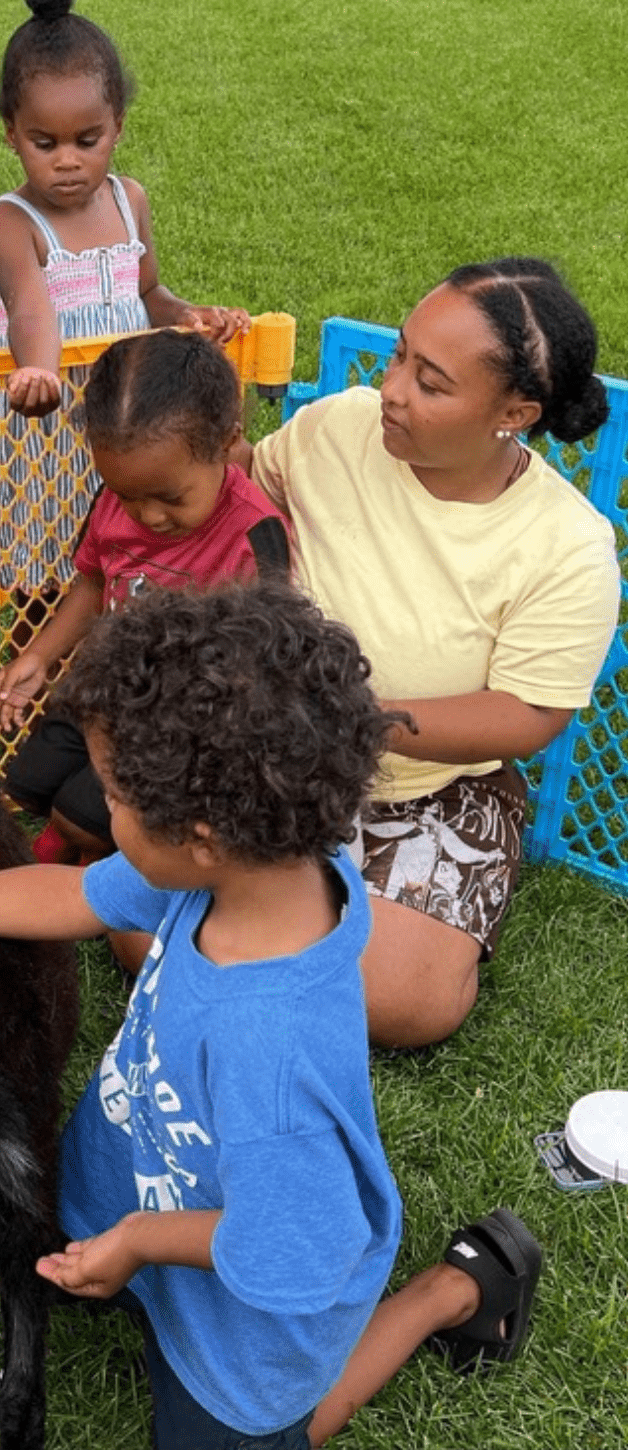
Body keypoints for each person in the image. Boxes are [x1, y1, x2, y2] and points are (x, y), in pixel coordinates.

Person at [0, 583, 542, 1450]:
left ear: (196, 832)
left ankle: (451, 1291)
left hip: (248, 1328)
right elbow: (78, 895)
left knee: (257, 1436)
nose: (98, 815)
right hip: (144, 1189)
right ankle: (146, 1274)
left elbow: (292, 1256)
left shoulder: (268, 1053)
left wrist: (140, 1240)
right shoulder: (256, 862)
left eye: (112, 795)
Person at [238, 257, 621, 1050]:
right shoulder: (338, 426)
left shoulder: (568, 546)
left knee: (408, 1002)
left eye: (432, 382)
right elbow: (247, 494)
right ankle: (285, 911)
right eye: (398, 356)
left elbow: (526, 713)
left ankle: (275, 919)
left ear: (513, 413)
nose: (393, 389)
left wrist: (355, 720)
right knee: (135, 914)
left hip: (429, 787)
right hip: (272, 746)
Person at [0, 0, 250, 591]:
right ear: (12, 134)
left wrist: (188, 314)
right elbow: (30, 306)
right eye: (45, 143)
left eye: (87, 140)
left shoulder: (130, 201)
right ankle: (35, 676)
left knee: (122, 555)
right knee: (46, 576)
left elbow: (147, 291)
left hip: (126, 419)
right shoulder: (11, 220)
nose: (68, 161)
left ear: (117, 125)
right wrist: (40, 373)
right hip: (41, 425)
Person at [0, 328, 289, 870]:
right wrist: (37, 656)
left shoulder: (253, 532)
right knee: (27, 782)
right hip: (109, 694)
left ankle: (94, 855)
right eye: (127, 496)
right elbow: (92, 582)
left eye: (170, 498)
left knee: (80, 814)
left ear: (227, 445)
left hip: (185, 724)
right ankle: (81, 840)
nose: (147, 516)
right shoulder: (114, 500)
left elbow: (257, 668)